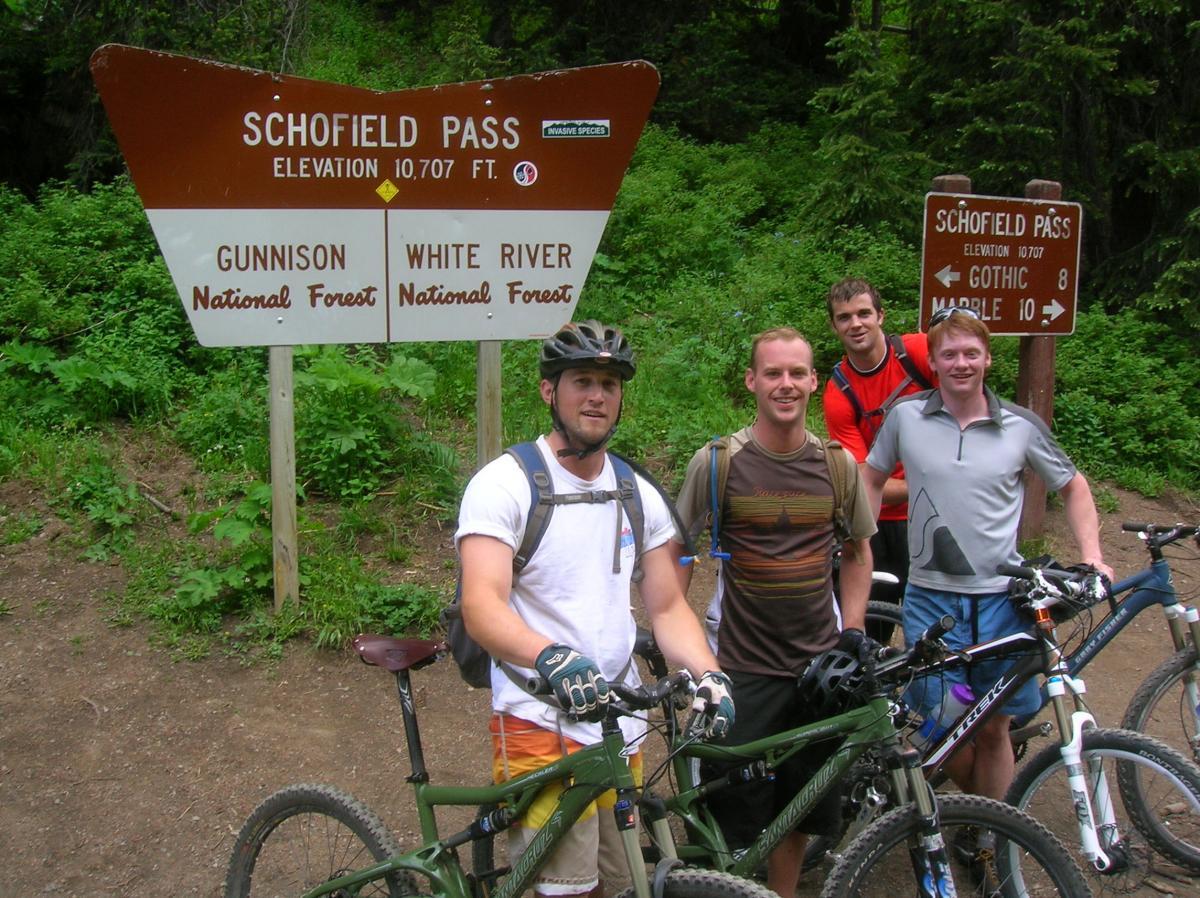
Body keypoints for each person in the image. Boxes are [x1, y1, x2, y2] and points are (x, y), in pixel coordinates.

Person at [456, 319, 734, 898]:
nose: (596, 395)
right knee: (563, 888)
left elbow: (666, 607)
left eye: (609, 384)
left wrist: (708, 675)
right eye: (581, 380)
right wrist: (549, 655)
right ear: (547, 390)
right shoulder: (505, 484)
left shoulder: (635, 490)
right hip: (540, 718)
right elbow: (481, 603)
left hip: (620, 721)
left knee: (621, 879)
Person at [862, 307, 1114, 808]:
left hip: (1001, 602)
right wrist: (861, 546)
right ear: (932, 360)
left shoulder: (1021, 426)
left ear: (988, 359)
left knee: (995, 728)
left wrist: (1094, 556)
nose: (961, 363)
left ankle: (984, 834)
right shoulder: (906, 418)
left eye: (971, 353)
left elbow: (1074, 486)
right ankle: (986, 814)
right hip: (931, 599)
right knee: (944, 721)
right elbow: (870, 477)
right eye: (949, 354)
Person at [668, 326, 877, 898]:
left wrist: (852, 631)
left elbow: (859, 552)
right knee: (729, 810)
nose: (785, 384)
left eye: (796, 373)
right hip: (742, 667)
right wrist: (677, 637)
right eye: (773, 373)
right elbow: (679, 551)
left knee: (799, 810)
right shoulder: (717, 464)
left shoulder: (838, 467)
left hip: (817, 671)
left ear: (813, 381)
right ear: (752, 381)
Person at [822, 278, 935, 635]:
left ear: (881, 316)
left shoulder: (918, 352)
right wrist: (938, 479)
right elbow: (860, 480)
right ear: (834, 325)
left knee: (939, 628)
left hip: (933, 517)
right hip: (876, 521)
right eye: (844, 318)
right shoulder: (839, 391)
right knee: (872, 629)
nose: (855, 324)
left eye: (863, 313)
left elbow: (965, 394)